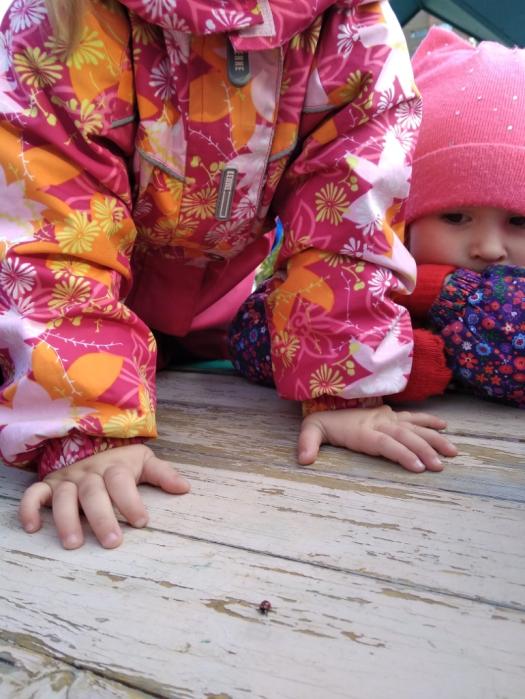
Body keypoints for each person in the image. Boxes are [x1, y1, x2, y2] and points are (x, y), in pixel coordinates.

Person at [0, 0, 455, 550]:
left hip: (212, 304)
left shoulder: (350, 26)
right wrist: (83, 420)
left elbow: (349, 205)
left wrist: (342, 381)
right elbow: (50, 221)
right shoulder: (64, 19)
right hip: (55, 318)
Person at [387, 27, 525, 408]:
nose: (489, 248)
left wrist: (443, 290)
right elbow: (262, 330)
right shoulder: (357, 280)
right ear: (405, 220)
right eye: (455, 216)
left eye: (520, 221)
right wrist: (375, 364)